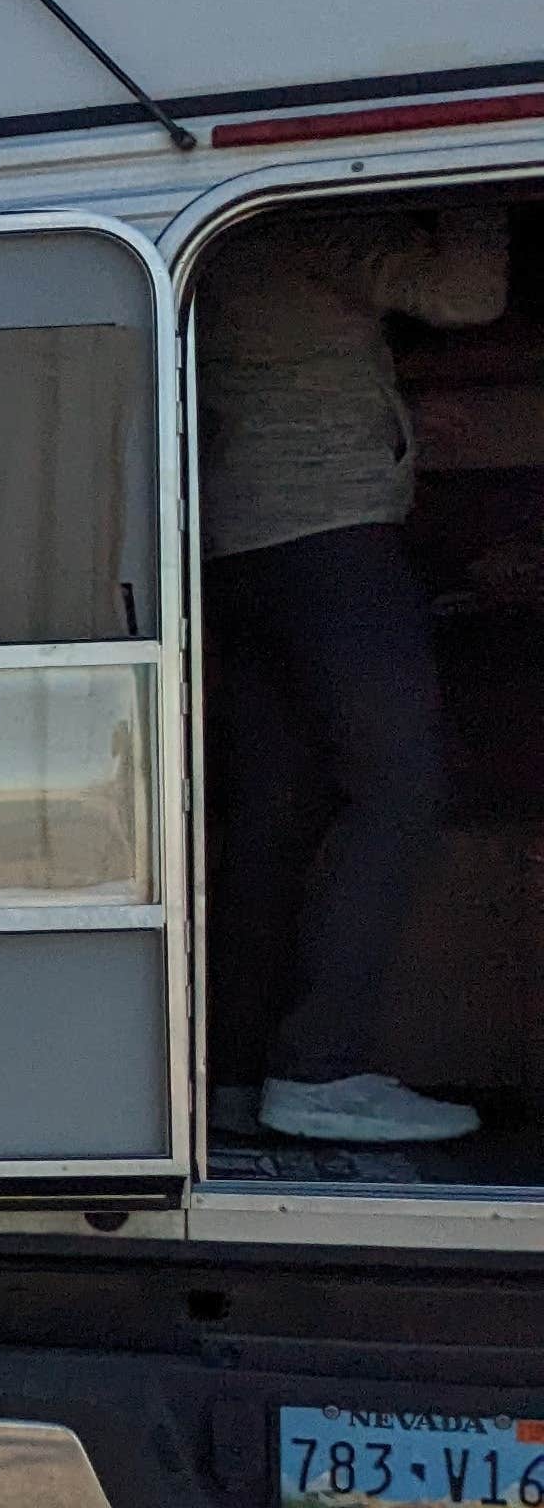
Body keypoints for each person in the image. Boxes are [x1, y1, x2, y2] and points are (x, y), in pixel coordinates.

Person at [202, 204, 510, 1146]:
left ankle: (234, 1075)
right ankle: (321, 1067)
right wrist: (484, 182)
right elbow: (468, 293)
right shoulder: (307, 225)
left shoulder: (234, 236)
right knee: (403, 787)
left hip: (231, 537)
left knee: (276, 809)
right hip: (325, 527)